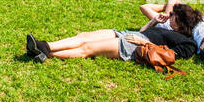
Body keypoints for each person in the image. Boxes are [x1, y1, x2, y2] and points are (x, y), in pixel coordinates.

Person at [25, 11, 195, 63]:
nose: (169, 16)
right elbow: (144, 31)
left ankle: (46, 52)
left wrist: (143, 42)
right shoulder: (167, 29)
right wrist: (153, 22)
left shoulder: (188, 43)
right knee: (84, 36)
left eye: (172, 15)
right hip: (131, 35)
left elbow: (172, 56)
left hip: (135, 46)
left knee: (88, 49)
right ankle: (45, 45)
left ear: (181, 22)